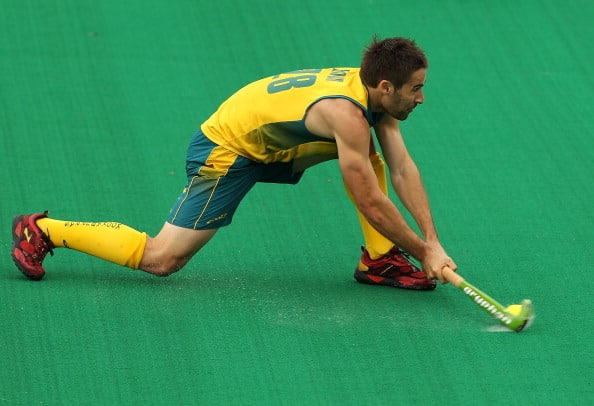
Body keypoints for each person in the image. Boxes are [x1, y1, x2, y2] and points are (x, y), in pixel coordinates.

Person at [11, 36, 457, 290]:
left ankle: (379, 261)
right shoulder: (349, 114)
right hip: (227, 151)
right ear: (384, 85)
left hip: (273, 141)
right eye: (415, 89)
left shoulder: (372, 100)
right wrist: (424, 253)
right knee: (162, 259)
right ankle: (43, 229)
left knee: (370, 156)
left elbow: (402, 169)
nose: (421, 97)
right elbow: (370, 200)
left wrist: (431, 240)